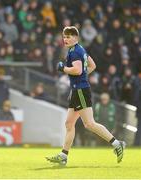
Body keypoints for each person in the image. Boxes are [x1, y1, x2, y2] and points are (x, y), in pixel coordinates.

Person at [46, 26, 126, 165]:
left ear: (76, 38)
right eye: (64, 37)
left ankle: (117, 143)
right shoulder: (79, 49)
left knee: (89, 124)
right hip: (78, 89)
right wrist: (81, 77)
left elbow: (77, 70)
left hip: (81, 90)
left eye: (69, 37)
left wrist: (63, 68)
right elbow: (92, 65)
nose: (65, 39)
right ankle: (64, 156)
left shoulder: (75, 51)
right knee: (69, 123)